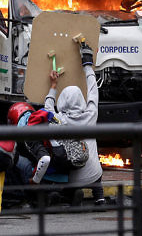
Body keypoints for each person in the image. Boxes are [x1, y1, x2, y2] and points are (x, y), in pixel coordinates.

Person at [44, 41, 105, 205]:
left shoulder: (59, 120)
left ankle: (69, 195)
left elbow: (48, 108)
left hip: (72, 177)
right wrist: (87, 65)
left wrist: (53, 86)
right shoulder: (91, 115)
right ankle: (99, 197)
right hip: (93, 174)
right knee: (94, 164)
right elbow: (93, 90)